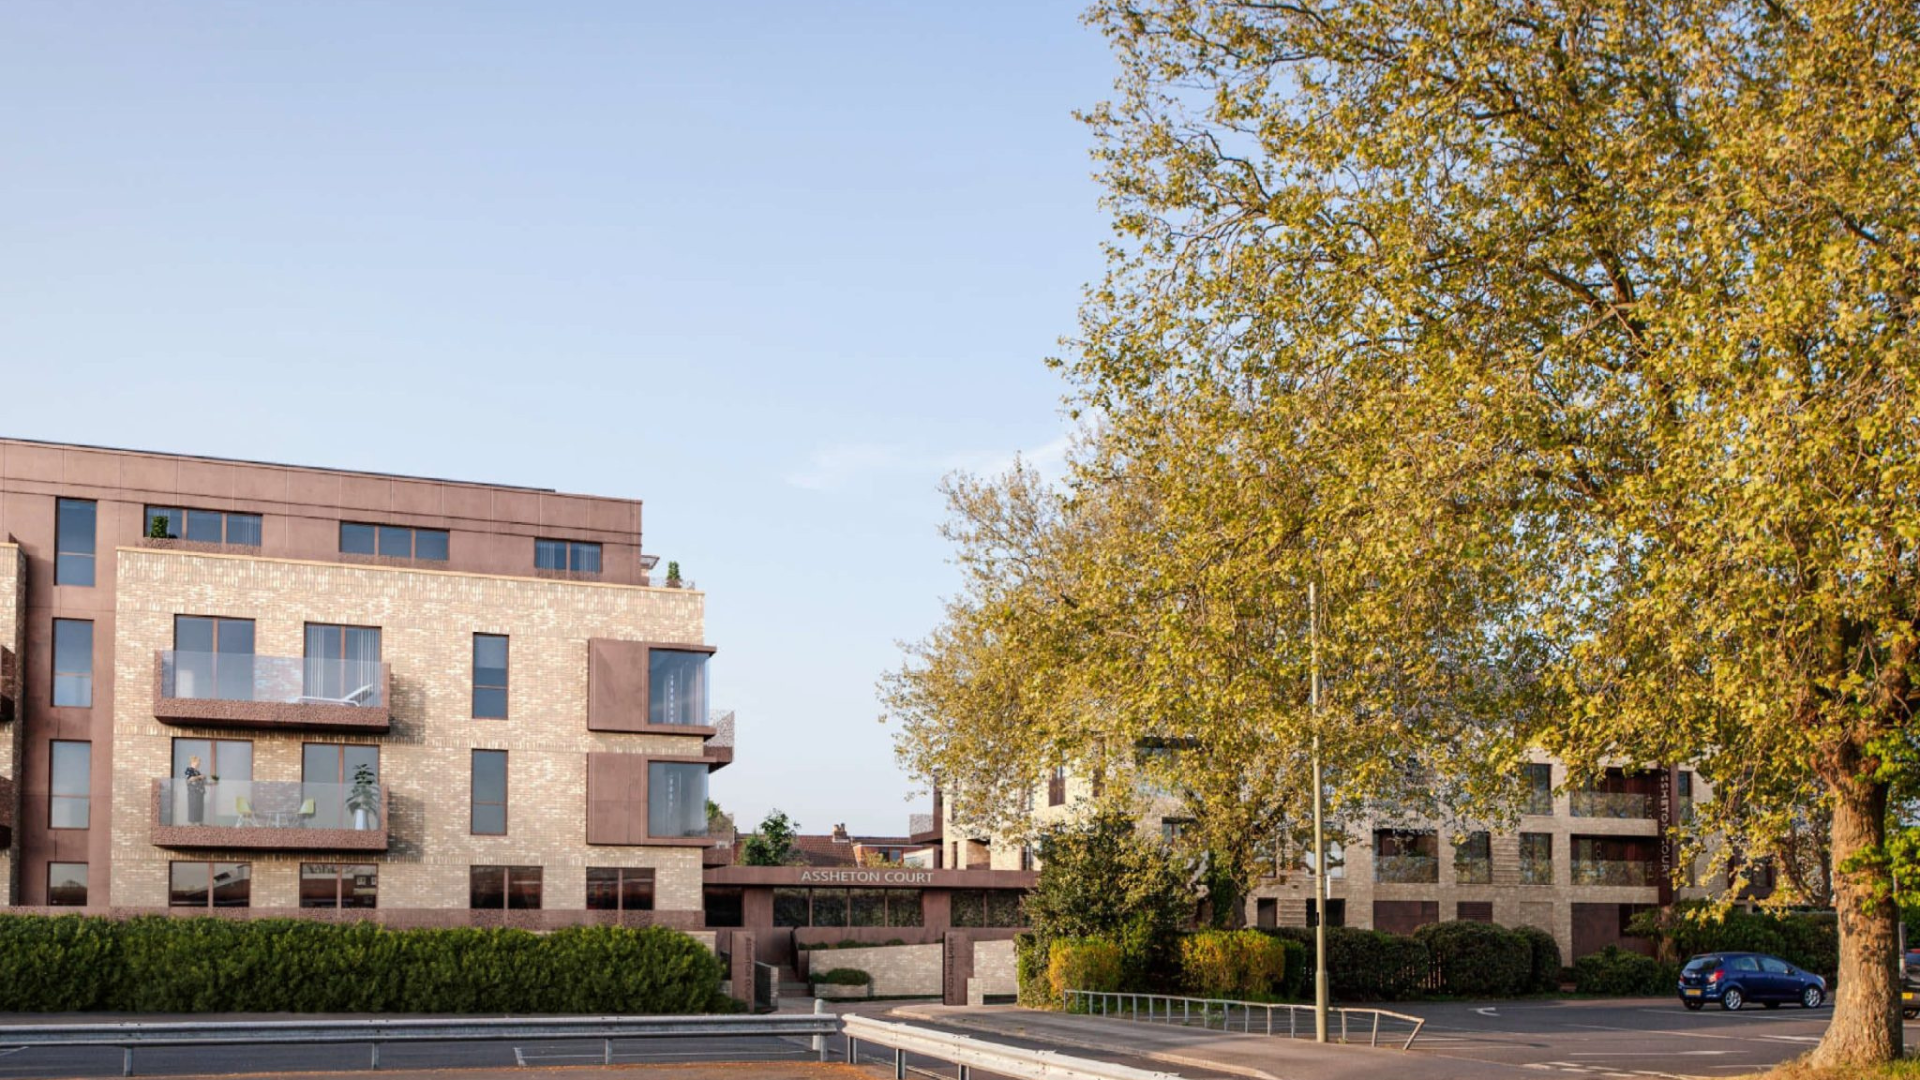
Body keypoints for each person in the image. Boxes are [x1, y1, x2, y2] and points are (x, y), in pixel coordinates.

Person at [184, 755, 206, 825]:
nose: (199, 764)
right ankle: (192, 825)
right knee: (193, 808)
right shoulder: (189, 770)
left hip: (199, 794)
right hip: (193, 794)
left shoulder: (197, 772)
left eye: (199, 762)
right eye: (198, 762)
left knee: (199, 808)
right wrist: (199, 777)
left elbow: (200, 781)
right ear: (193, 762)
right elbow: (190, 779)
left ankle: (200, 823)